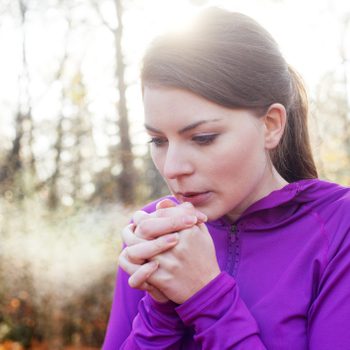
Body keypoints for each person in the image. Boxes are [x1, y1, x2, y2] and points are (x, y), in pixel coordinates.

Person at [102, 7, 350, 349]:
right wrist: (160, 311)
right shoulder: (152, 236)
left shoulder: (340, 229)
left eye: (202, 138)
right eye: (158, 141)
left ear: (271, 125)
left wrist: (206, 298)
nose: (172, 167)